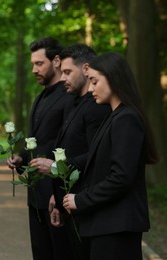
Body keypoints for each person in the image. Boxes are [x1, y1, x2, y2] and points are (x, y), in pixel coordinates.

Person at [63, 52, 159, 259]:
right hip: (108, 225)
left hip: (117, 227)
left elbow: (121, 177)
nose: (90, 89)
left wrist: (81, 200)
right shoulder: (115, 117)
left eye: (94, 82)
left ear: (113, 78)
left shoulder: (127, 119)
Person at [31, 43, 111, 259]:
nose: (63, 78)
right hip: (68, 202)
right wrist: (57, 197)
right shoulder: (74, 103)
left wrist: (56, 167)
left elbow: (97, 156)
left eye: (67, 72)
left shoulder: (96, 107)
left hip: (85, 204)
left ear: (86, 69)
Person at [7, 36, 74, 259]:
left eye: (39, 64)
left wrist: (61, 192)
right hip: (36, 194)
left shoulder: (69, 95)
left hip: (57, 192)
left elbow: (68, 143)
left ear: (56, 61)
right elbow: (38, 141)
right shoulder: (39, 98)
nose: (34, 69)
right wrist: (21, 157)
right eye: (32, 64)